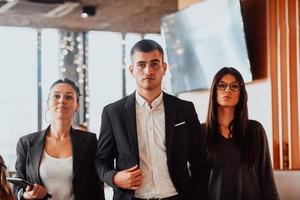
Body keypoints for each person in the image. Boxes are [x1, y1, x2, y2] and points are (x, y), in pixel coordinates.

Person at [95, 39, 203, 200]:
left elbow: (199, 159)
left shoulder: (184, 109)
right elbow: (101, 160)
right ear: (131, 70)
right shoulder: (113, 112)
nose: (148, 71)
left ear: (164, 68)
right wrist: (115, 178)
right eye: (141, 65)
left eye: (154, 64)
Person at [14, 78, 104, 200]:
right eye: (56, 96)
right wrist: (26, 195)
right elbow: (16, 189)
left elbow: (96, 188)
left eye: (69, 97)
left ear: (77, 105)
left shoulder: (89, 141)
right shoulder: (26, 143)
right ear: (47, 103)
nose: (62, 100)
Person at [202, 67, 279, 200]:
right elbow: (195, 183)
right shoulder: (200, 132)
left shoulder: (255, 130)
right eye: (222, 85)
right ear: (214, 91)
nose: (228, 90)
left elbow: (267, 179)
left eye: (234, 86)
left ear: (241, 93)